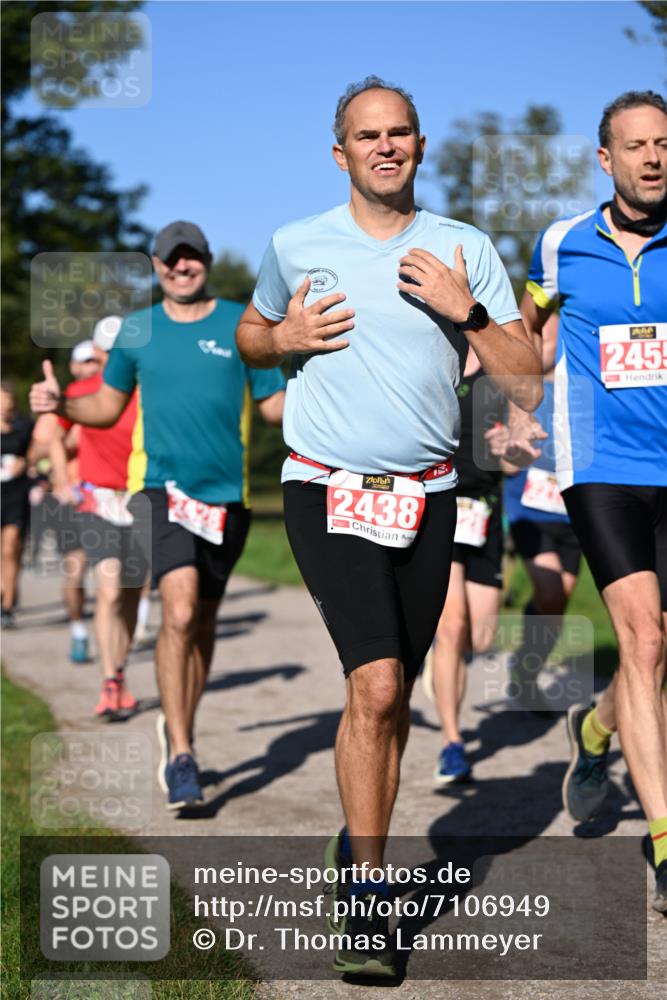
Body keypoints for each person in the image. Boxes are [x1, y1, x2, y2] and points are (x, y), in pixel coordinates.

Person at [236, 76, 542, 976]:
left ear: (417, 145)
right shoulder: (296, 244)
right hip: (323, 486)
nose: (384, 146)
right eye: (366, 135)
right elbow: (254, 334)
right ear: (341, 153)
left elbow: (524, 377)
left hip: (426, 494)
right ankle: (369, 897)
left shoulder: (462, 247)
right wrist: (281, 341)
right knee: (373, 686)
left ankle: (353, 836)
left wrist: (469, 312)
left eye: (399, 132)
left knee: (394, 689)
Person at [31, 221, 285, 810]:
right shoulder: (136, 330)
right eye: (171, 259)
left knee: (202, 624)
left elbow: (273, 406)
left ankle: (180, 726)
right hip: (159, 492)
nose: (181, 267)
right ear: (155, 264)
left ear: (207, 262)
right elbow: (106, 404)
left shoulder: (242, 324)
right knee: (179, 608)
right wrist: (63, 403)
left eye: (191, 257)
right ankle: (182, 751)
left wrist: (331, 388)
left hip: (227, 497)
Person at [521, 91, 667, 912]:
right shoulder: (560, 244)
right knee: (641, 638)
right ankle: (662, 838)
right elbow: (531, 339)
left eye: (663, 144)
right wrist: (511, 407)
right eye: (634, 146)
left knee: (656, 650)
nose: (652, 158)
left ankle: (596, 728)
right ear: (604, 159)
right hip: (600, 462)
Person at [50, 317, 145, 719]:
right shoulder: (83, 389)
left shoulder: (149, 390)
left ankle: (119, 672)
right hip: (98, 499)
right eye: (104, 351)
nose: (108, 358)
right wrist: (60, 478)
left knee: (131, 594)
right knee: (108, 591)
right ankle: (109, 680)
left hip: (142, 500)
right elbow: (55, 434)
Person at [428, 351, 509, 785]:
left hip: (485, 512)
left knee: (481, 634)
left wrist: (511, 448)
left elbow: (516, 461)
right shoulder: (436, 357)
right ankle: (452, 743)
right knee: (452, 626)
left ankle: (441, 665)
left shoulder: (502, 368)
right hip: (440, 504)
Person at [503, 314, 583, 714]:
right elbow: (501, 457)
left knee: (558, 603)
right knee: (550, 591)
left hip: (573, 512)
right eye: (542, 334)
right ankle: (524, 669)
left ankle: (526, 671)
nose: (549, 340)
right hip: (528, 510)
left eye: (556, 334)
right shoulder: (515, 390)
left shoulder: (579, 388)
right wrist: (510, 450)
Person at [30, 340, 100, 662]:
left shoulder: (117, 395)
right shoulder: (62, 401)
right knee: (76, 568)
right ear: (74, 366)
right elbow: (35, 451)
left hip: (113, 493)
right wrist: (66, 446)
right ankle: (78, 630)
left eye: (97, 360)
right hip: (73, 497)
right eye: (85, 361)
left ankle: (132, 625)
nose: (92, 366)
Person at [1, 381, 34, 627]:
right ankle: (4, 588)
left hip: (16, 493)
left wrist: (26, 463)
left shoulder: (24, 426)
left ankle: (8, 605)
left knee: (11, 547)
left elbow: (37, 452)